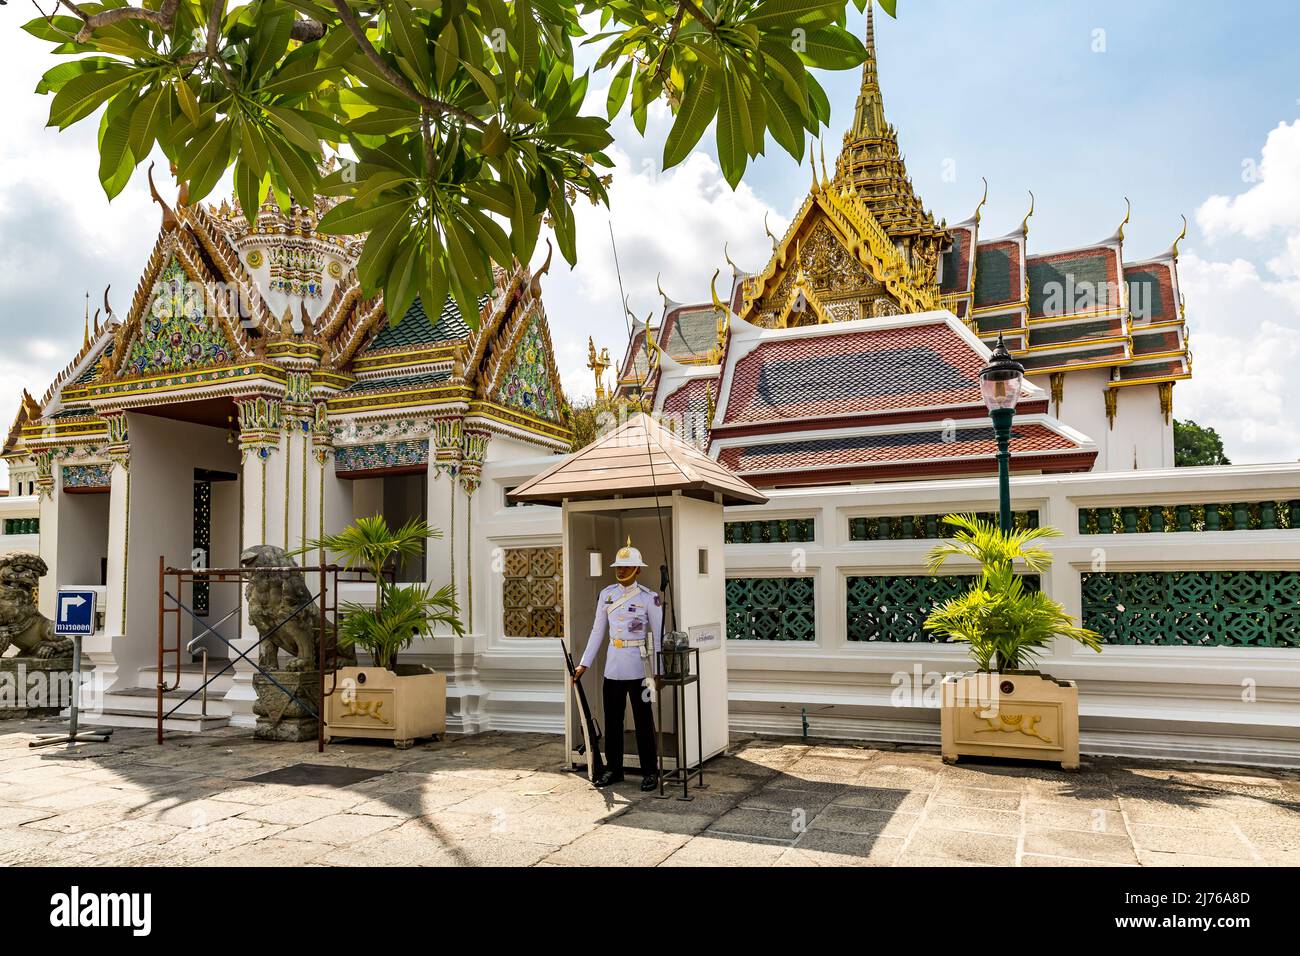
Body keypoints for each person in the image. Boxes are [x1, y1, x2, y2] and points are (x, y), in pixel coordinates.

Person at [572, 539, 662, 791]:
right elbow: (597, 631)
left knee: (644, 721)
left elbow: (658, 636)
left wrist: (658, 671)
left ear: (638, 570)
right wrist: (584, 664)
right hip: (613, 666)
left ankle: (649, 772)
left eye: (627, 567)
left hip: (639, 667)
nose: (621, 571)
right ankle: (614, 769)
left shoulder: (649, 598)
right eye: (619, 567)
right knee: (612, 721)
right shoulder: (607, 594)